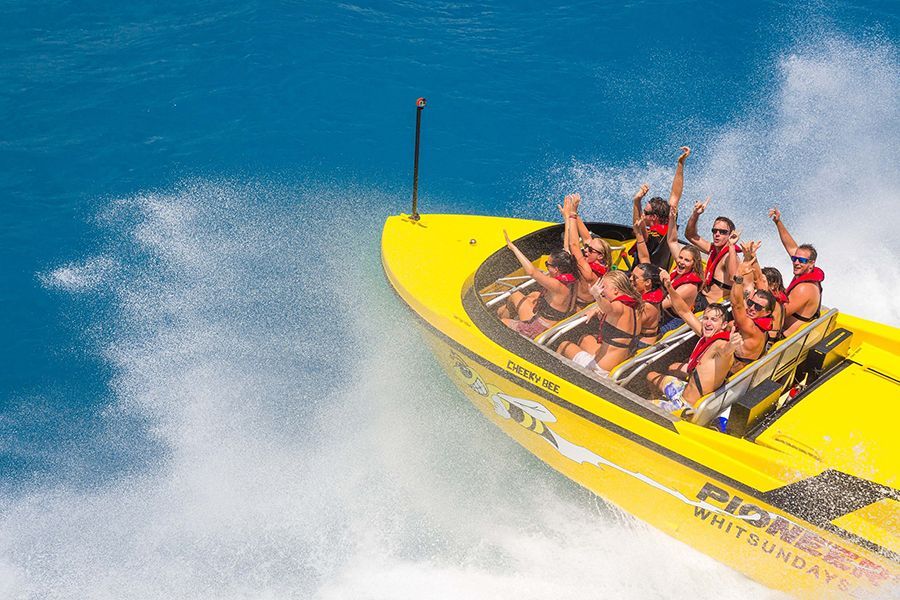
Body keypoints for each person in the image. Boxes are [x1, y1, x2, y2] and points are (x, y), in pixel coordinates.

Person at [647, 271, 742, 415]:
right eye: (706, 318)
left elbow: (725, 351)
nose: (708, 323)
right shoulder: (707, 335)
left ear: (723, 326)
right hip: (682, 391)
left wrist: (732, 345)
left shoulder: (720, 343)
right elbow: (684, 311)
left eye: (714, 320)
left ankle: (656, 410)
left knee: (643, 406)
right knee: (651, 375)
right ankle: (657, 399)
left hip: (685, 406)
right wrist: (670, 288)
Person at [557, 271, 641, 377]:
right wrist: (597, 309)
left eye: (603, 287)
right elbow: (611, 312)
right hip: (614, 362)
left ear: (615, 290)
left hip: (600, 370)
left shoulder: (618, 306)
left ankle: (554, 377)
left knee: (564, 346)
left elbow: (609, 308)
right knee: (585, 339)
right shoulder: (633, 308)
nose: (601, 291)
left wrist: (597, 296)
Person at [499, 230, 578, 337]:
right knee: (517, 294)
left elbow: (532, 272)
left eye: (547, 264)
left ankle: (500, 322)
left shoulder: (557, 286)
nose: (546, 266)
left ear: (556, 269)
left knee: (502, 322)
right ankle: (502, 314)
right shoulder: (573, 279)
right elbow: (568, 249)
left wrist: (513, 247)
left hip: (537, 330)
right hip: (551, 325)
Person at [629, 146, 691, 270]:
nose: (642, 214)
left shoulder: (653, 236)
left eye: (645, 212)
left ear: (654, 217)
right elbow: (675, 195)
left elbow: (638, 227)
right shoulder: (670, 227)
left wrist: (637, 202)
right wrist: (680, 164)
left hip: (644, 279)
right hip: (661, 276)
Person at [768, 208, 825, 336]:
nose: (796, 262)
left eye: (802, 260)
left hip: (782, 337)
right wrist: (778, 222)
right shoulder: (805, 270)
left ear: (811, 263)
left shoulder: (804, 288)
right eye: (795, 259)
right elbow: (791, 246)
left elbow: (779, 314)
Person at [727, 240, 776, 374]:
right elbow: (758, 280)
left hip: (734, 373)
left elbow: (736, 305)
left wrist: (738, 276)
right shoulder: (764, 316)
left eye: (758, 308)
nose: (752, 308)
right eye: (750, 303)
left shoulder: (750, 327)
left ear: (767, 312)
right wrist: (750, 256)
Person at [560, 194, 612, 308]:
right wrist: (571, 213)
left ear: (600, 256)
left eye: (590, 250)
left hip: (575, 306)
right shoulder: (603, 264)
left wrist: (572, 215)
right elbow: (587, 239)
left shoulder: (588, 271)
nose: (585, 250)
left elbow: (574, 245)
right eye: (587, 247)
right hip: (585, 301)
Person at [685, 197, 740, 303]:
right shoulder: (713, 249)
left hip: (708, 304)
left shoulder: (729, 257)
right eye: (714, 231)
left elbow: (734, 277)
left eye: (723, 232)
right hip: (700, 296)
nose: (717, 234)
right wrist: (696, 214)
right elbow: (690, 235)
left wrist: (732, 245)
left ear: (731, 235)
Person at [630, 263, 663, 348]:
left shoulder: (647, 306)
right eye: (631, 275)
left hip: (642, 343)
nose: (630, 279)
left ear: (648, 282)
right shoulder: (650, 294)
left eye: (635, 278)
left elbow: (630, 327)